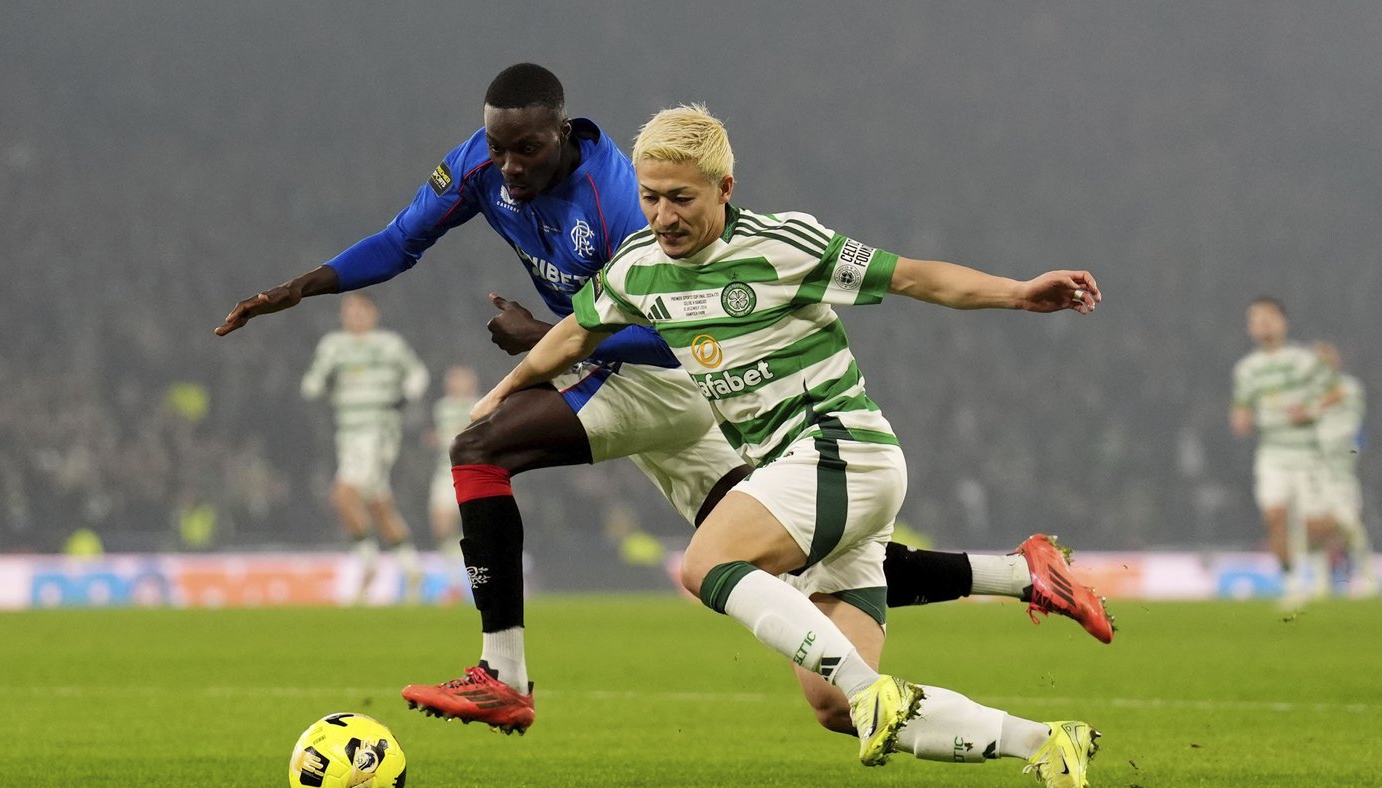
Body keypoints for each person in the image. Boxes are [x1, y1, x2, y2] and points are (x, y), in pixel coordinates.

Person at [216, 63, 1111, 737]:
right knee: (793, 573)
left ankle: (505, 675)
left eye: (523, 150)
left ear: (564, 134)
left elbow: (669, 320)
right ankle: (1017, 572)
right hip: (649, 381)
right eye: (494, 147)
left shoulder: (625, 207)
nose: (505, 166)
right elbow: (402, 239)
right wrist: (303, 287)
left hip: (672, 380)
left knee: (480, 451)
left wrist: (545, 342)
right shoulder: (491, 167)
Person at [468, 103, 1104, 788]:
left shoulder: (785, 243)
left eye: (681, 198)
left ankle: (881, 686)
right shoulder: (638, 268)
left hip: (840, 449)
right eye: (650, 198)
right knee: (833, 704)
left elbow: (914, 277)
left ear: (724, 188)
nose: (664, 216)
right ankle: (1047, 741)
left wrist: (1018, 293)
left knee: (706, 564)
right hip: (796, 475)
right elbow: (574, 335)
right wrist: (506, 388)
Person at [300, 292, 429, 602]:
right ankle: (411, 568)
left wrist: (402, 400)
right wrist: (326, 373)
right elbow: (311, 387)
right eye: (349, 311)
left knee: (342, 494)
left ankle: (368, 563)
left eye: (360, 310)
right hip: (347, 434)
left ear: (374, 313)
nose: (354, 316)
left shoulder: (389, 344)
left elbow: (418, 375)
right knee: (378, 504)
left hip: (377, 432)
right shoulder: (333, 346)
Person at [1230, 297, 1340, 605]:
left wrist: (1309, 409)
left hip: (1309, 454)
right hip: (1273, 454)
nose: (1262, 323)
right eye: (1255, 319)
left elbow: (1336, 392)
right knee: (1274, 516)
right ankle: (1292, 583)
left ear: (1283, 322)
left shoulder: (1303, 360)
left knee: (1316, 525)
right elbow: (1240, 409)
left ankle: (1318, 563)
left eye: (1268, 317)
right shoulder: (1247, 369)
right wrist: (1241, 420)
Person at [1310, 342, 1377, 596]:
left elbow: (1332, 398)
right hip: (1317, 469)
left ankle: (1369, 578)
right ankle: (1321, 583)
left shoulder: (1349, 387)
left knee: (1349, 525)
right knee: (1317, 528)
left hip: (1341, 470)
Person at [428, 364, 479, 567]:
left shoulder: (479, 405)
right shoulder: (442, 407)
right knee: (439, 523)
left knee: (474, 521)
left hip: (474, 471)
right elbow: (446, 437)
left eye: (461, 379)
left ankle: (472, 560)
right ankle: (452, 559)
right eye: (453, 379)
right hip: (446, 471)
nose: (457, 384)